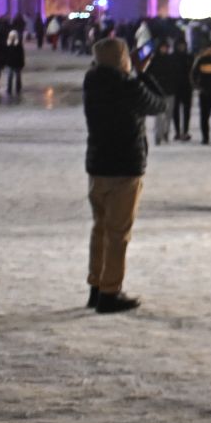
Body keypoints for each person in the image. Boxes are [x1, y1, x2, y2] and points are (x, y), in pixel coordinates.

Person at [81, 37, 168, 313]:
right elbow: (158, 104)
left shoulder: (92, 81)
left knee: (100, 228)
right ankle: (110, 292)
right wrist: (141, 73)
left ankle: (96, 285)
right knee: (118, 233)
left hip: (97, 166)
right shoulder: (127, 86)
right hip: (125, 166)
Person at [148, 38, 192, 141]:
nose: (164, 49)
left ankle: (166, 132)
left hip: (170, 90)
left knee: (168, 114)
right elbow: (149, 74)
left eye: (165, 47)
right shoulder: (154, 60)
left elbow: (175, 74)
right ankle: (158, 134)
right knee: (159, 114)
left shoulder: (171, 60)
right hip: (158, 90)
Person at [0, 24, 27, 98]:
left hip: (17, 63)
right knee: (10, 77)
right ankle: (9, 89)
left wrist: (22, 63)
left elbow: (21, 54)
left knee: (17, 77)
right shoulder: (8, 44)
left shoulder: (18, 44)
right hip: (10, 63)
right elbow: (5, 54)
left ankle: (17, 88)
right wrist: (4, 62)